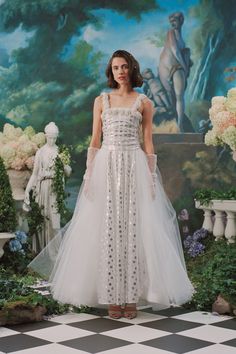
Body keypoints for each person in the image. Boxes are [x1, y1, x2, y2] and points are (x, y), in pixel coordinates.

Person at [29, 50, 194, 320]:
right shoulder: (101, 100)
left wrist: (151, 178)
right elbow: (95, 140)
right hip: (107, 166)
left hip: (134, 167)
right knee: (107, 229)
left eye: (124, 66)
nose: (120, 71)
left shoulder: (143, 102)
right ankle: (111, 298)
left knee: (133, 230)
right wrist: (88, 176)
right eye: (115, 67)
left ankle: (130, 298)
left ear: (131, 69)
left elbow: (148, 143)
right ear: (111, 71)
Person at [23, 122, 71, 252]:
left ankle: (55, 255)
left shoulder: (60, 152)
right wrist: (27, 191)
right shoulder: (41, 152)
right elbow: (34, 174)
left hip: (55, 190)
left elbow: (67, 172)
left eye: (55, 137)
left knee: (55, 222)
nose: (52, 140)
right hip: (43, 188)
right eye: (50, 137)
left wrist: (66, 166)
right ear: (45, 136)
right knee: (42, 220)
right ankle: (40, 254)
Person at [158, 12, 193, 132]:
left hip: (174, 68)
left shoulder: (179, 35)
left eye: (175, 20)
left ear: (181, 20)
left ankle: (180, 123)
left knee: (178, 97)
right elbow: (175, 51)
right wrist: (185, 67)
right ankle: (180, 124)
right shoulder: (171, 33)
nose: (173, 23)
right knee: (179, 97)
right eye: (171, 21)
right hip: (175, 67)